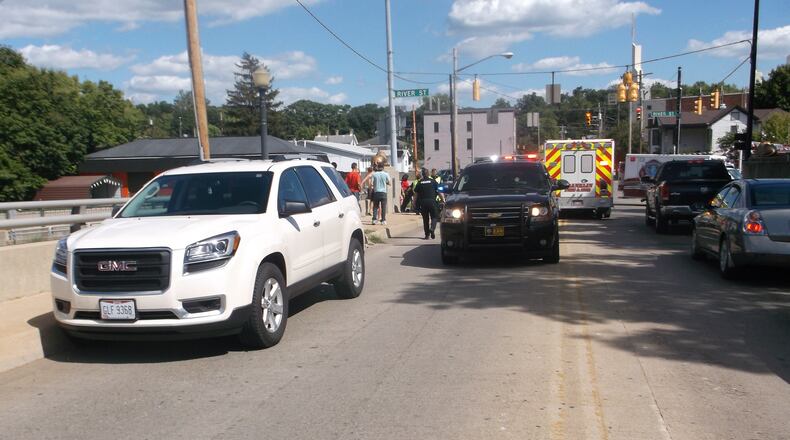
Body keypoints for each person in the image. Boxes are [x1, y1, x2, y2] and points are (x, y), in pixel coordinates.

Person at [414, 167, 440, 239]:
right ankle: (432, 229)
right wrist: (443, 200)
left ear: (422, 174)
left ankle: (427, 235)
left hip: (423, 203)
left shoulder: (419, 182)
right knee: (434, 217)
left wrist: (414, 203)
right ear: (428, 174)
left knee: (425, 219)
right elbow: (439, 192)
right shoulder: (433, 181)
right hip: (432, 202)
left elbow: (415, 195)